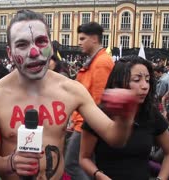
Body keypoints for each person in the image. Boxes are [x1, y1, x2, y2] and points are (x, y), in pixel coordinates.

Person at [0, 9, 139, 180]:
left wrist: (125, 117)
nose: (34, 52)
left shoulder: (71, 90)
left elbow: (115, 138)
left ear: (50, 45)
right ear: (10, 53)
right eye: (22, 45)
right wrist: (10, 162)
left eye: (41, 41)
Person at [80, 55, 169, 180]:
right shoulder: (98, 115)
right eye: (137, 80)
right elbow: (84, 158)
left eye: (147, 80)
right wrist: (98, 175)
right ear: (119, 81)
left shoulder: (151, 114)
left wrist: (160, 178)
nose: (144, 86)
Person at [64, 22, 115, 180]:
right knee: (87, 165)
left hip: (87, 125)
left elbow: (100, 101)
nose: (79, 42)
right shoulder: (95, 62)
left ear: (94, 39)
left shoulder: (101, 63)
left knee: (71, 164)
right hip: (84, 123)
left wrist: (82, 123)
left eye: (82, 38)